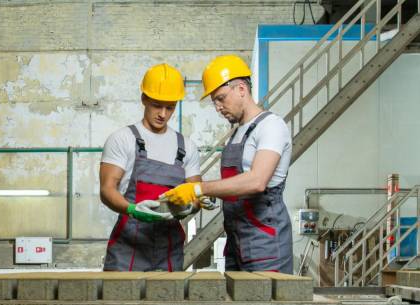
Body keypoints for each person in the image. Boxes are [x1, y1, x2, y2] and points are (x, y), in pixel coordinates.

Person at [162, 55, 293, 274]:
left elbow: (257, 181)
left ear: (241, 88)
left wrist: (199, 188)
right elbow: (236, 185)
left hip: (265, 244)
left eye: (221, 98)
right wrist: (212, 196)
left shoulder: (271, 126)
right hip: (236, 242)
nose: (218, 107)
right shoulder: (237, 133)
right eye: (214, 101)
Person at [100, 63, 202, 272]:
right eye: (157, 105)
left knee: (167, 304)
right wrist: (133, 210)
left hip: (169, 251)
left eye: (170, 107)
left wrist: (190, 207)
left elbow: (196, 194)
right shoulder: (123, 139)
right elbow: (107, 189)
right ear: (144, 99)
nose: (163, 114)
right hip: (128, 249)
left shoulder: (187, 147)